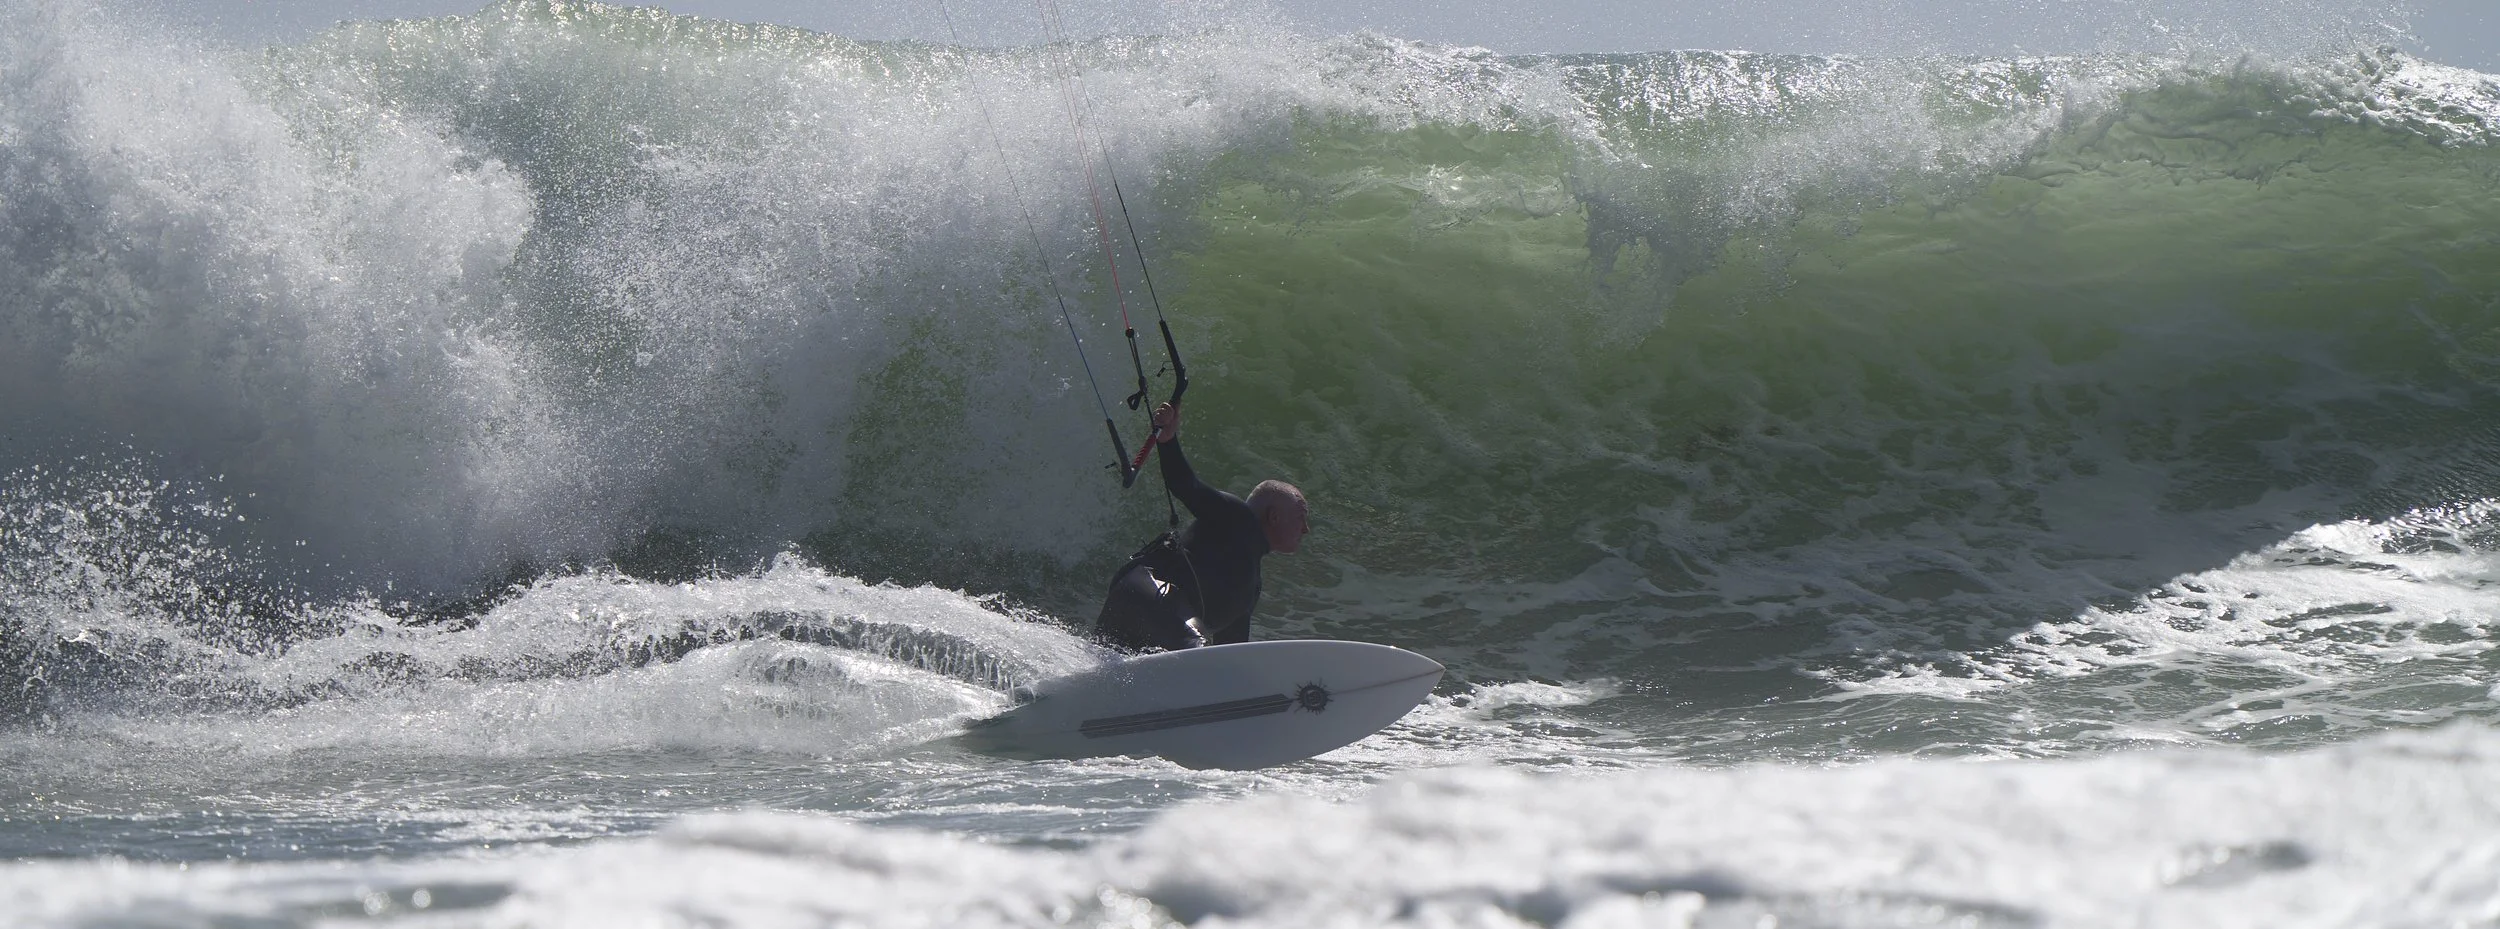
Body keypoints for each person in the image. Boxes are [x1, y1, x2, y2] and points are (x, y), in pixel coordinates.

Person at [1093, 402, 1308, 652]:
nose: (1306, 529)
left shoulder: (1249, 588)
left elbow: (1228, 656)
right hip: (1146, 592)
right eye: (1301, 517)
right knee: (1195, 646)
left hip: (1147, 611)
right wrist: (1168, 440)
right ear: (1274, 516)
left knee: (1109, 672)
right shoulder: (1235, 517)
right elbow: (1186, 485)